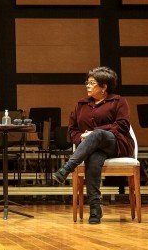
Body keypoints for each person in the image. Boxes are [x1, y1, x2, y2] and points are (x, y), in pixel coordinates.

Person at [52, 66, 134, 224]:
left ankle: (67, 167)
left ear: (104, 87)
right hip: (93, 148)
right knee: (94, 158)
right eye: (87, 82)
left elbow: (122, 125)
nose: (87, 86)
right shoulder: (81, 104)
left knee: (97, 135)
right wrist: (83, 140)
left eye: (92, 83)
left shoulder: (118, 101)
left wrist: (94, 133)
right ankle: (95, 208)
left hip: (116, 144)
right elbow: (73, 130)